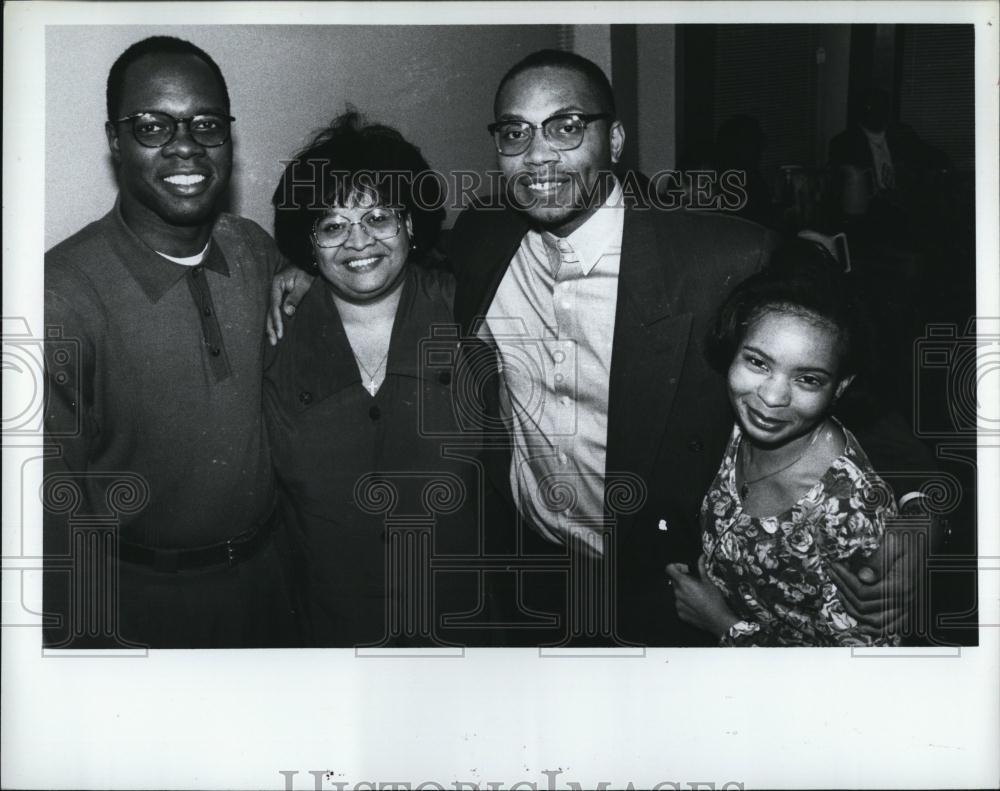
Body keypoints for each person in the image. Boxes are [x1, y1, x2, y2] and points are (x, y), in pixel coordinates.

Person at [271, 50, 935, 647]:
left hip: (666, 586)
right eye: (515, 133)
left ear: (614, 139)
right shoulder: (484, 240)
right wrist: (301, 266)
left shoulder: (724, 255)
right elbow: (384, 260)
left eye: (566, 127)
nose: (539, 156)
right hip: (529, 570)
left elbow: (849, 377)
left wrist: (916, 512)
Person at [43, 36, 296, 648]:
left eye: (206, 124)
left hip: (273, 581)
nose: (186, 145)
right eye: (153, 126)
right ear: (115, 141)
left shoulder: (253, 247)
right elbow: (48, 522)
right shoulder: (59, 298)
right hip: (141, 610)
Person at [265, 112, 494, 647]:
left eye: (379, 218)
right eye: (332, 225)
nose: (358, 242)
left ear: (411, 225)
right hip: (326, 631)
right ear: (310, 244)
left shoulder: (471, 316)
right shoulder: (276, 337)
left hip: (463, 627)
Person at [666, 240, 899, 646]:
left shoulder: (846, 508)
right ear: (732, 353)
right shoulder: (727, 425)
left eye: (807, 379)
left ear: (839, 388)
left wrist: (723, 625)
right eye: (757, 362)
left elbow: (861, 672)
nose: (772, 398)